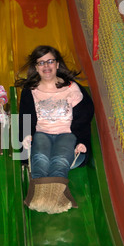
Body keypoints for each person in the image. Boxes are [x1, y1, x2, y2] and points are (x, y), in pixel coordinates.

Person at [16, 45, 94, 214]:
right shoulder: (31, 91)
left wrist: (81, 141)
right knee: (40, 157)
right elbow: (25, 117)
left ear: (57, 64)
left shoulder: (71, 88)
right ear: (36, 68)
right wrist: (26, 136)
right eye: (41, 63)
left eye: (50, 61)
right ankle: (38, 195)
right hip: (42, 133)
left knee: (59, 158)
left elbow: (83, 117)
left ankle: (57, 197)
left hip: (67, 133)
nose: (46, 66)